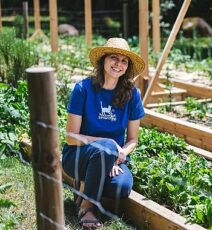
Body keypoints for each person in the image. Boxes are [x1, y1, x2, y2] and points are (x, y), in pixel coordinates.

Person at [62, 37, 145, 228]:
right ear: (103, 60)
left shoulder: (133, 95)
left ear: (128, 67)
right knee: (106, 146)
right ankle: (87, 207)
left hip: (114, 158)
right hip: (78, 155)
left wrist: (120, 153)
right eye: (114, 58)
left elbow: (132, 139)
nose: (119, 64)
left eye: (124, 61)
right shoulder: (83, 89)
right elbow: (71, 137)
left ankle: (84, 185)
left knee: (121, 187)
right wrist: (106, 146)